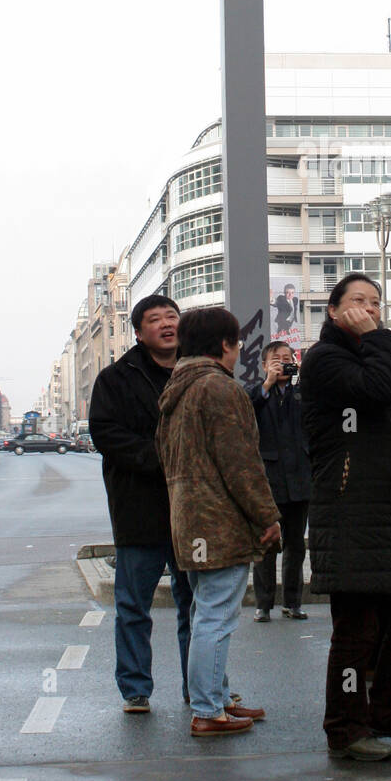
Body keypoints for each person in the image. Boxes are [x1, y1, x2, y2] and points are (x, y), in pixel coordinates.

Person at [300, 272, 391, 761]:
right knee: (357, 632)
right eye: (357, 301)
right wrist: (381, 341)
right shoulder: (324, 360)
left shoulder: (376, 356)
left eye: (375, 302)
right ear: (333, 312)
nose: (369, 309)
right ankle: (347, 728)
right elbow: (378, 393)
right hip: (350, 510)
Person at [155, 307, 281, 737]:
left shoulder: (177, 388)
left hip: (188, 518)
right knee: (215, 616)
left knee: (204, 611)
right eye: (236, 342)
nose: (239, 349)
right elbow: (242, 463)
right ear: (225, 345)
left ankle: (219, 697)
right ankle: (208, 710)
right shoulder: (219, 389)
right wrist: (267, 516)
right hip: (219, 520)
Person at [89, 295, 193, 713]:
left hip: (192, 508)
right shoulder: (116, 378)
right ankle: (135, 688)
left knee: (196, 605)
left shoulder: (198, 371)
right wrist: (163, 459)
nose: (167, 325)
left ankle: (200, 685)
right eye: (155, 319)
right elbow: (106, 434)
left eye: (172, 317)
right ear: (138, 331)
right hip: (138, 509)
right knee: (133, 604)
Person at [248, 340, 311, 622]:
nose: (283, 362)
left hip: (299, 480)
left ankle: (293, 602)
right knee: (266, 545)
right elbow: (246, 414)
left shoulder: (303, 393)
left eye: (288, 358)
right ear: (264, 365)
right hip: (267, 482)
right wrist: (267, 384)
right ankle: (263, 604)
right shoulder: (256, 394)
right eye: (276, 359)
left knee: (295, 545)